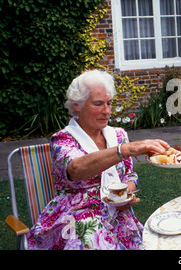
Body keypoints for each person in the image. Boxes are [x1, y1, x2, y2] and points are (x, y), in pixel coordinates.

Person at [27, 69, 169, 250]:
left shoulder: (118, 135)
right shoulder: (63, 140)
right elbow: (76, 169)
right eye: (98, 104)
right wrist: (124, 150)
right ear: (77, 105)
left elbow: (130, 175)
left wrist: (126, 194)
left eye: (109, 103)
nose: (106, 111)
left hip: (117, 216)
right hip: (75, 219)